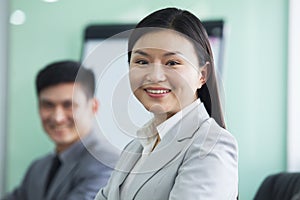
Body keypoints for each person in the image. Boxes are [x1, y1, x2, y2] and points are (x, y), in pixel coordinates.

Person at [95, 7, 238, 200]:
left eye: (172, 63)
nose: (155, 76)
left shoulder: (211, 144)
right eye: (142, 61)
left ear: (202, 75)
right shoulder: (136, 147)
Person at [2, 60, 119, 200]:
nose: (58, 118)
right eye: (48, 105)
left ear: (93, 107)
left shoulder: (106, 163)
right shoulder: (38, 168)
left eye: (68, 105)